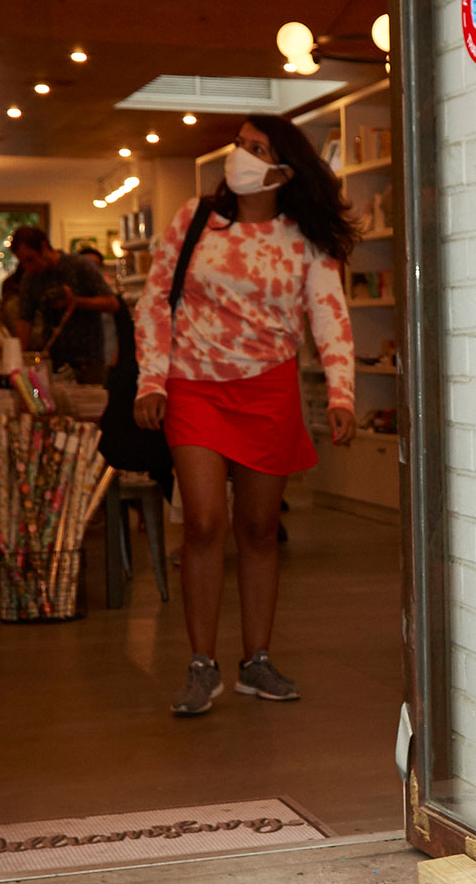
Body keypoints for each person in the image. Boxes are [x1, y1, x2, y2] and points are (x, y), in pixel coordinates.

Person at [132, 115, 355, 717]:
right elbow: (154, 300)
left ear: (284, 171)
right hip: (194, 388)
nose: (241, 154)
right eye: (240, 143)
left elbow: (329, 314)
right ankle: (200, 665)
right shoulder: (195, 218)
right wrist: (151, 379)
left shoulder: (305, 239)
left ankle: (257, 660)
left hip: (268, 391)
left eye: (257, 148)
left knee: (258, 530)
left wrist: (341, 393)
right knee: (204, 523)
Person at [8, 226, 121, 381]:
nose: (28, 267)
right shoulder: (30, 278)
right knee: (45, 395)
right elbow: (24, 322)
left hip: (89, 361)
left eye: (30, 259)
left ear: (44, 247)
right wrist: (18, 362)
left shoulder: (79, 265)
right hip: (53, 360)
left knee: (90, 396)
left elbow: (112, 303)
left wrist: (75, 301)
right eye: (23, 262)